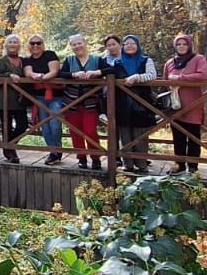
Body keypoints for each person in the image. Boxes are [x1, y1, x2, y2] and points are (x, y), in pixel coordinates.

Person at [107, 35, 157, 173]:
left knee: (140, 135)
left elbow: (152, 75)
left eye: (132, 43)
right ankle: (127, 164)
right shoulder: (116, 62)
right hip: (122, 103)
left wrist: (136, 77)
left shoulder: (146, 60)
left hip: (141, 102)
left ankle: (142, 165)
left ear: (138, 45)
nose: (129, 46)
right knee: (125, 134)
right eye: (126, 43)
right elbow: (108, 75)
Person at [164, 33, 207, 173]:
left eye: (184, 44)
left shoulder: (198, 59)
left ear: (189, 45)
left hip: (193, 104)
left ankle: (193, 167)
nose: (181, 47)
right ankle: (179, 165)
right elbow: (165, 80)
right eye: (178, 44)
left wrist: (181, 78)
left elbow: (203, 75)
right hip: (175, 104)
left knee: (193, 136)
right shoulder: (170, 62)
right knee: (178, 136)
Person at [60, 34, 103, 170]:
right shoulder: (69, 60)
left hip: (91, 103)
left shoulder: (96, 59)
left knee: (90, 131)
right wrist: (74, 75)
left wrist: (96, 72)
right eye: (74, 44)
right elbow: (61, 74)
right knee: (75, 132)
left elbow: (111, 70)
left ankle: (95, 158)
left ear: (85, 43)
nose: (77, 46)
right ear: (71, 47)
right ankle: (81, 158)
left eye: (79, 43)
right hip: (71, 102)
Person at [21, 33, 64, 164]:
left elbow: (54, 71)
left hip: (55, 95)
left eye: (38, 43)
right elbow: (28, 72)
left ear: (42, 44)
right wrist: (36, 75)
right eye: (32, 43)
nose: (35, 45)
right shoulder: (27, 60)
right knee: (45, 126)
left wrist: (43, 77)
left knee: (55, 124)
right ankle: (53, 152)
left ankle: (58, 149)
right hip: (39, 96)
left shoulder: (50, 54)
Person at [0, 34, 29, 163]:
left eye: (15, 42)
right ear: (6, 45)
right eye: (10, 42)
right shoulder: (1, 61)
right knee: (6, 127)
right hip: (4, 99)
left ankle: (7, 145)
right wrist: (9, 75)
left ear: (19, 45)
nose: (13, 44)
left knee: (23, 125)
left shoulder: (24, 61)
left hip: (19, 99)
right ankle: (11, 153)